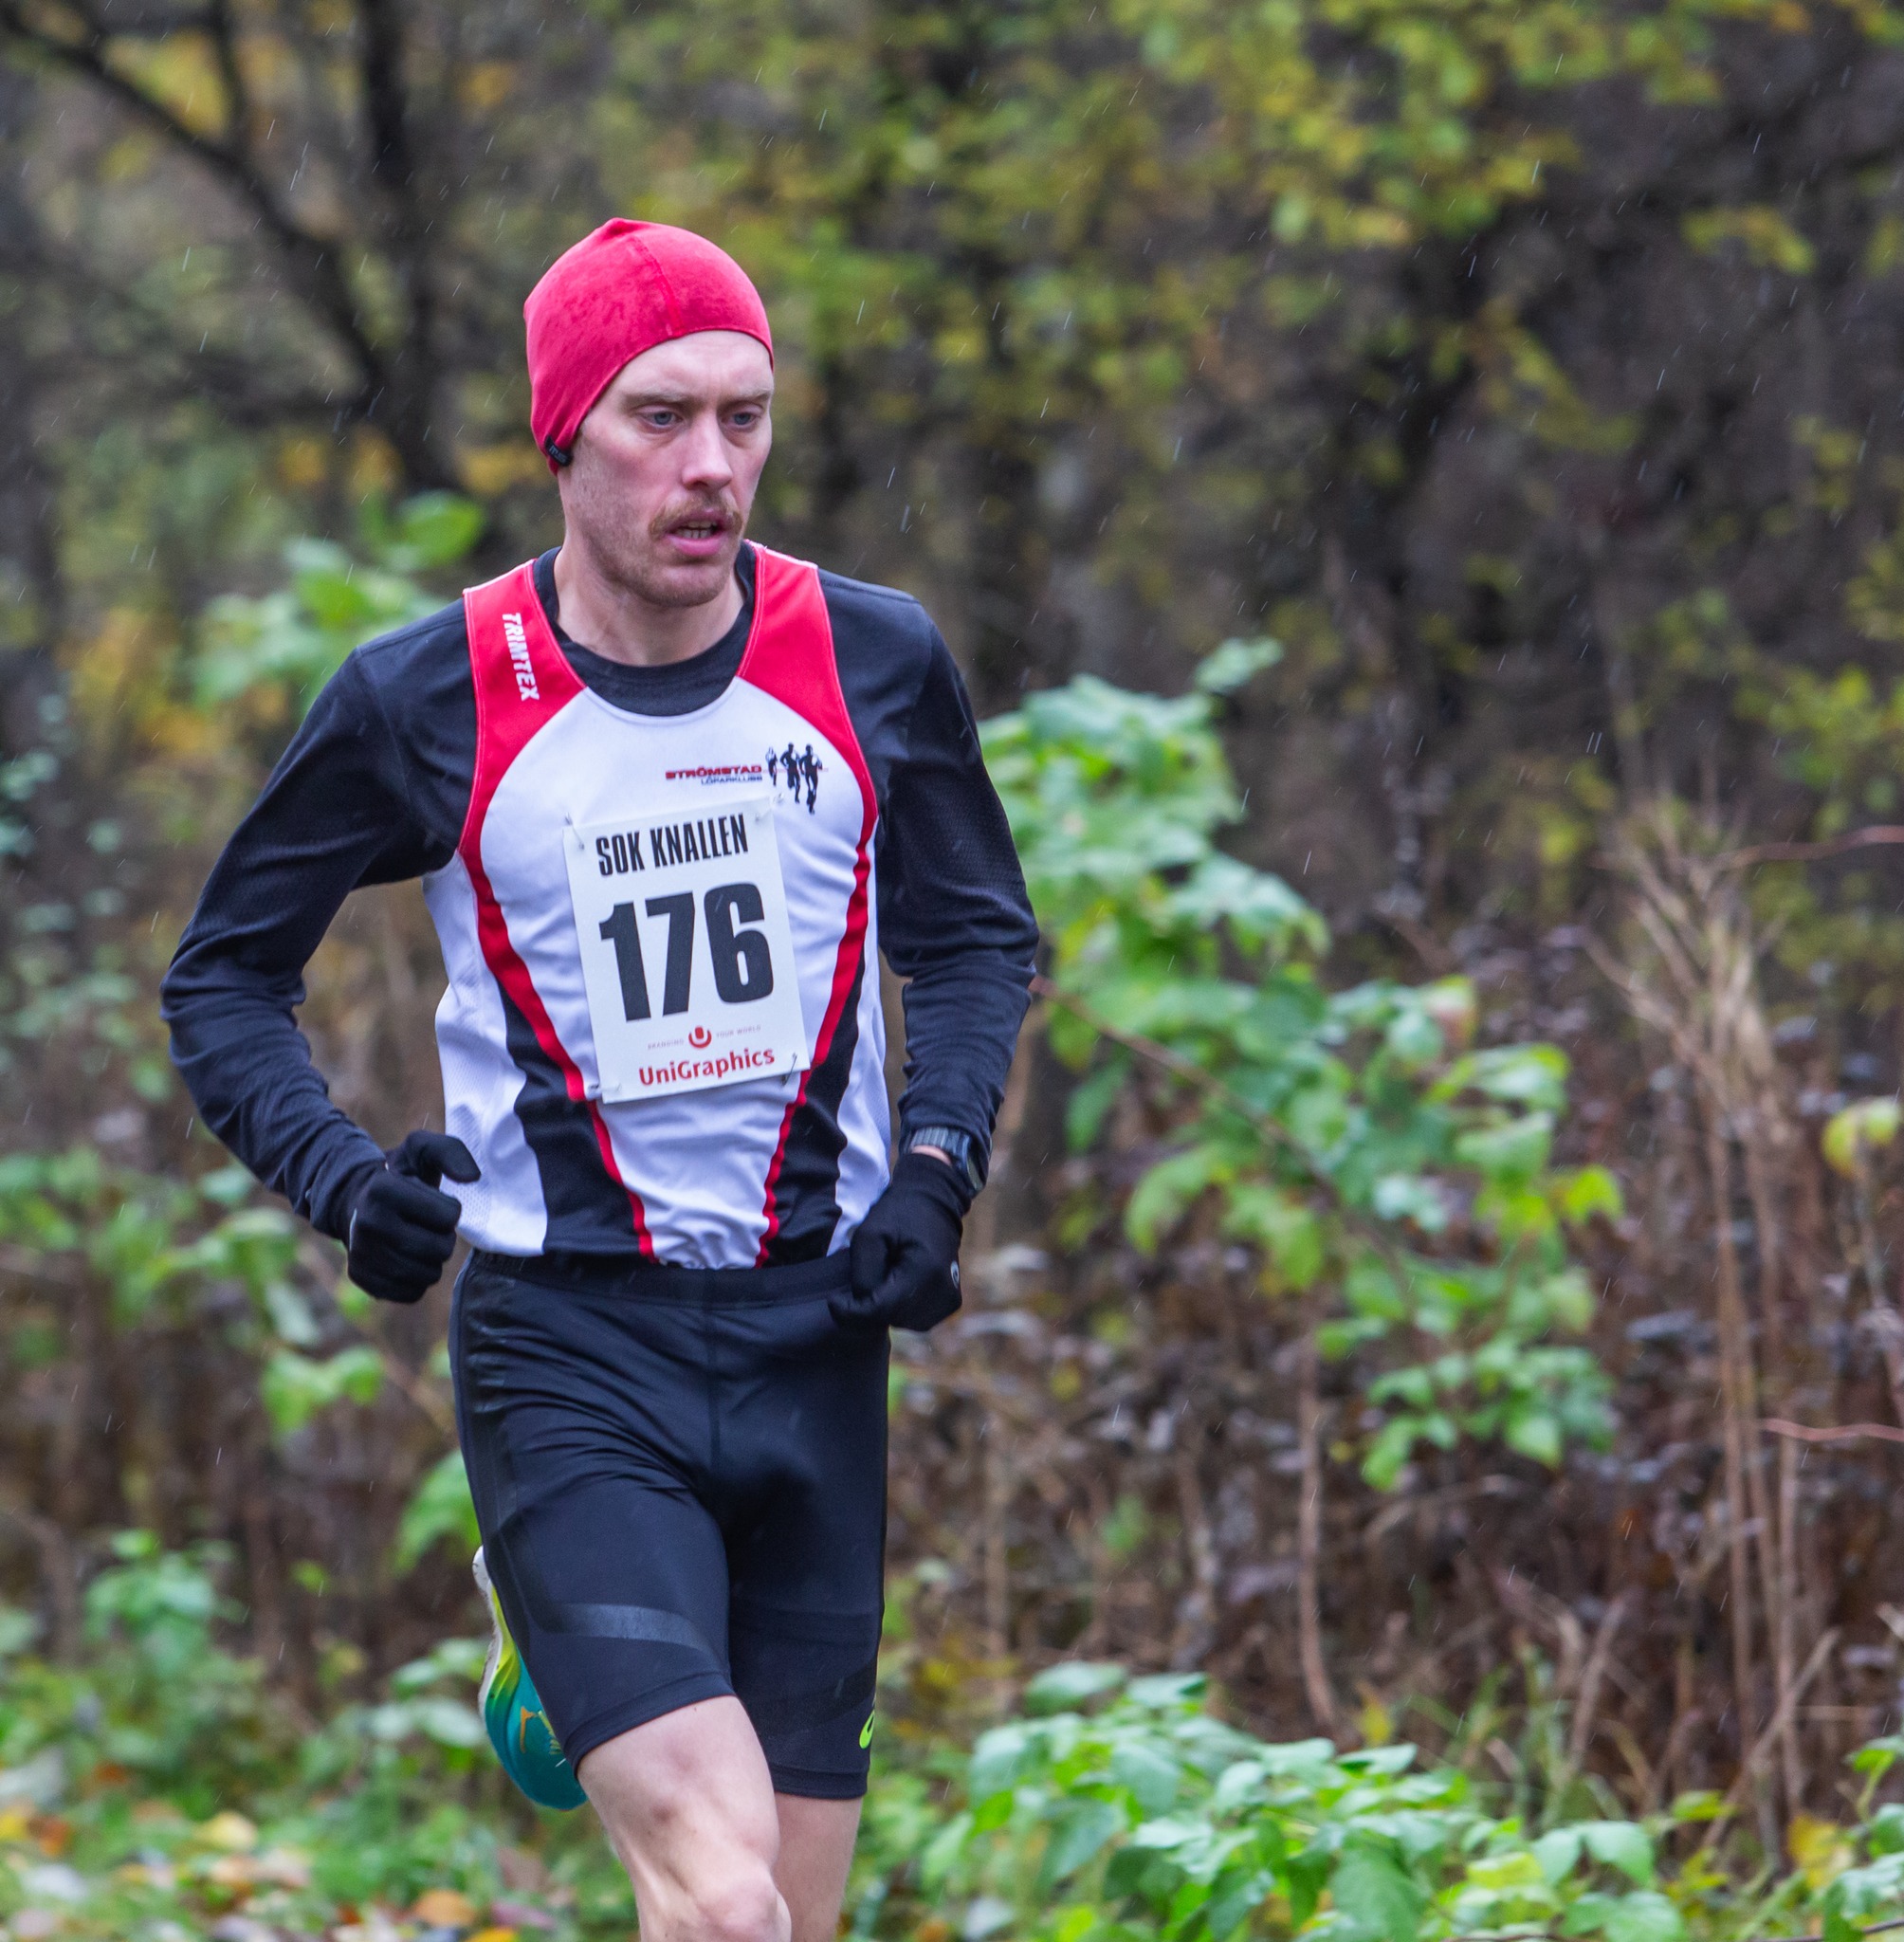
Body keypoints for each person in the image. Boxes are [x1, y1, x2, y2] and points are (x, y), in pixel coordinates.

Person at [161, 219, 1037, 1942]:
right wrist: (344, 1183)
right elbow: (222, 978)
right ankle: (564, 1612)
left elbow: (975, 934)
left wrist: (939, 1165)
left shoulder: (872, 659)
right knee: (726, 1901)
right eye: (661, 417)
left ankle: (574, 1673)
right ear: (564, 436)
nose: (712, 466)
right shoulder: (430, 697)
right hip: (568, 1348)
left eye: (744, 418)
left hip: (818, 1340)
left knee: (777, 1916)